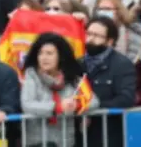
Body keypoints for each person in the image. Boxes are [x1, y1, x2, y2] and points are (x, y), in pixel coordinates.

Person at [20, 33, 95, 147]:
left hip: (66, 141)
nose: (44, 58)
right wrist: (57, 107)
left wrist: (76, 105)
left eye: (49, 53)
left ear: (60, 56)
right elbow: (27, 104)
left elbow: (93, 100)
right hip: (38, 142)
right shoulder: (32, 75)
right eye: (40, 53)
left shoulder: (72, 77)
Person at [81, 17, 135, 147]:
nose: (91, 39)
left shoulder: (122, 64)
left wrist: (93, 107)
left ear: (109, 41)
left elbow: (126, 98)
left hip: (109, 134)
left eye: (97, 35)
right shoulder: (79, 63)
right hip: (83, 135)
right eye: (88, 34)